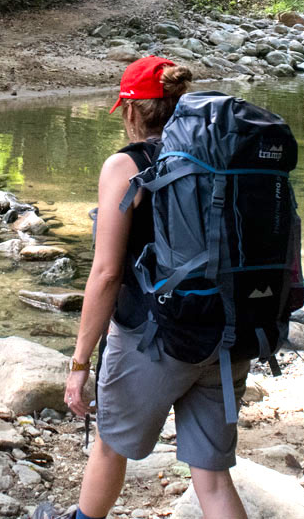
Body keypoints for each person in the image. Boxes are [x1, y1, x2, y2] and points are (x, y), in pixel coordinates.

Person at [47, 57, 250, 519]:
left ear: (133, 111)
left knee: (110, 447)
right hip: (227, 333)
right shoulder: (225, 157)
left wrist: (80, 363)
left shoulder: (126, 166)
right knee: (214, 479)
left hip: (153, 340)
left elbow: (105, 274)